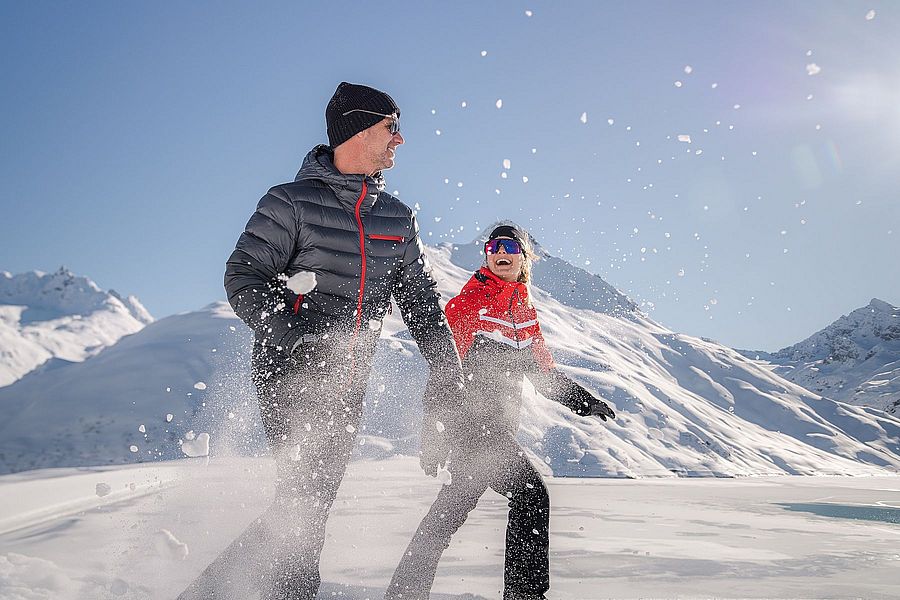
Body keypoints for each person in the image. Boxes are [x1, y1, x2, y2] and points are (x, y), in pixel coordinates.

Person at [182, 82, 464, 600]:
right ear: (357, 129)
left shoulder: (396, 217)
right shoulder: (290, 202)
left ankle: (211, 592)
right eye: (392, 127)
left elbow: (421, 302)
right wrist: (296, 336)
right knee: (304, 508)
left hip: (348, 380)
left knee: (303, 508)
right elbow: (243, 275)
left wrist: (449, 374)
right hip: (288, 373)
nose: (400, 140)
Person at [387, 224, 616, 600]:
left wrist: (583, 401)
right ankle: (524, 595)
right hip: (473, 426)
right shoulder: (469, 303)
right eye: (493, 245)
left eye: (509, 245)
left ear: (525, 256)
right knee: (531, 495)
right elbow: (444, 368)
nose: (500, 251)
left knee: (446, 517)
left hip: (499, 428)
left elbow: (544, 376)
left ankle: (404, 592)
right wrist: (435, 428)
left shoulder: (524, 312)